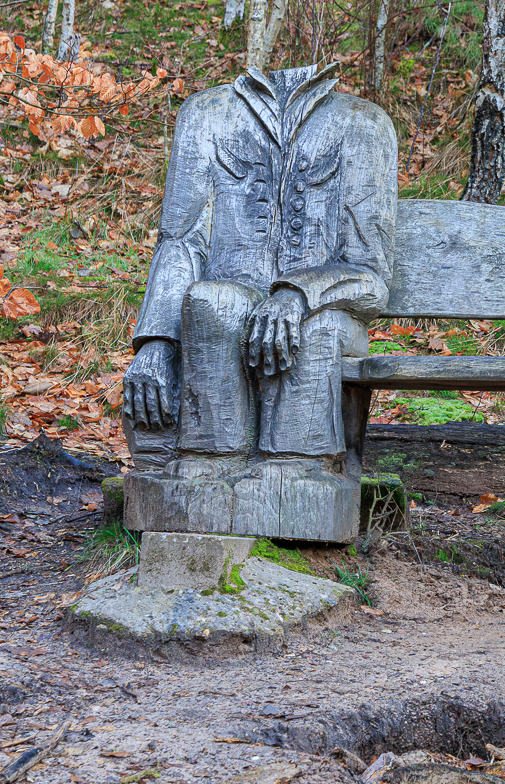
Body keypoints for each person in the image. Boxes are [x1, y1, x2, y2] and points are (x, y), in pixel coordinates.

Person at [120, 63, 396, 541]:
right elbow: (181, 241)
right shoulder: (207, 114)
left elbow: (372, 277)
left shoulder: (362, 124)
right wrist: (155, 344)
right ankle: (206, 471)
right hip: (224, 307)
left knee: (316, 331)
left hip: (327, 313)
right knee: (212, 303)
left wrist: (297, 293)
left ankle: (296, 477)